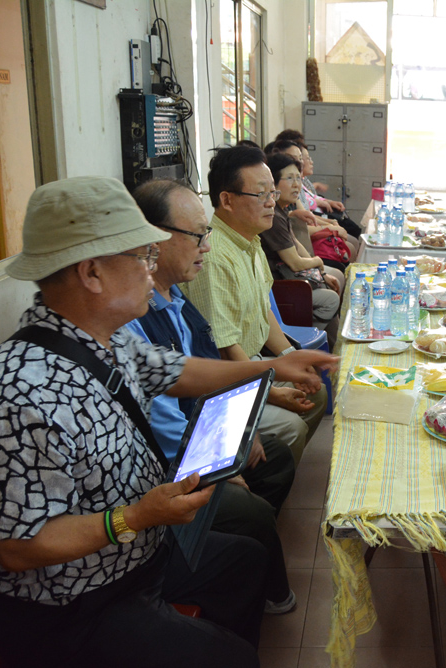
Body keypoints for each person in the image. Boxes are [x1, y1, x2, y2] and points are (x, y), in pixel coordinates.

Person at [0, 176, 336, 668]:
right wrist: (136, 517)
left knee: (245, 561)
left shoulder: (107, 338)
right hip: (73, 604)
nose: (152, 267)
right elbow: (18, 545)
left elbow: (179, 371)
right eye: (143, 256)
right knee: (233, 658)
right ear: (92, 273)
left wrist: (273, 367)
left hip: (139, 556)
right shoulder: (20, 391)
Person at [125, 178, 300, 615]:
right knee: (248, 514)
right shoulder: (125, 324)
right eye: (198, 235)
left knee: (274, 458)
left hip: (196, 444)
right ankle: (259, 576)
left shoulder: (174, 301)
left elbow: (195, 374)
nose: (206, 245)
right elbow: (163, 419)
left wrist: (236, 433)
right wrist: (215, 465)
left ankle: (247, 549)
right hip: (162, 479)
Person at [182, 145, 327, 466]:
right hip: (225, 379)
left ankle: (276, 469)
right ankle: (259, 478)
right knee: (291, 427)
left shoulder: (250, 241)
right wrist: (272, 392)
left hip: (253, 362)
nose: (271, 202)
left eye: (272, 193)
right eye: (261, 194)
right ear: (227, 200)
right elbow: (224, 347)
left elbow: (264, 312)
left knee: (315, 389)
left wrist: (289, 358)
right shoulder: (213, 256)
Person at [259, 153, 342, 344]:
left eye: (298, 178)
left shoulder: (282, 210)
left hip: (290, 278)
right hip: (282, 285)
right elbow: (295, 263)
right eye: (289, 178)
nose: (296, 184)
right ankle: (303, 341)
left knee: (331, 282)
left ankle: (332, 344)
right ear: (273, 183)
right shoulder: (273, 216)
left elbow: (295, 243)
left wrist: (321, 272)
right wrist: (318, 262)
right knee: (330, 299)